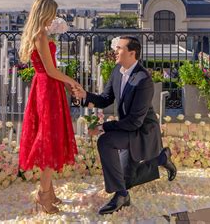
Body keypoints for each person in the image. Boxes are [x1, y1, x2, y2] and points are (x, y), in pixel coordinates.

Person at [72, 36, 176, 215]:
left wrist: (104, 127)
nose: (115, 51)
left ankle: (122, 195)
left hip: (142, 130)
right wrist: (85, 96)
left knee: (106, 142)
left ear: (132, 53)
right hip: (127, 128)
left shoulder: (144, 80)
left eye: (119, 48)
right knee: (124, 175)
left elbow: (135, 121)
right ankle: (161, 159)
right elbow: (105, 99)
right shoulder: (117, 71)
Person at [18, 0, 79, 214]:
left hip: (46, 86)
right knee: (48, 140)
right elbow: (51, 70)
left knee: (48, 137)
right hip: (47, 87)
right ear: (45, 12)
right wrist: (72, 81)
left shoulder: (38, 34)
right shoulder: (41, 36)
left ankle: (49, 193)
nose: (54, 17)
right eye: (52, 12)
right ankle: (44, 196)